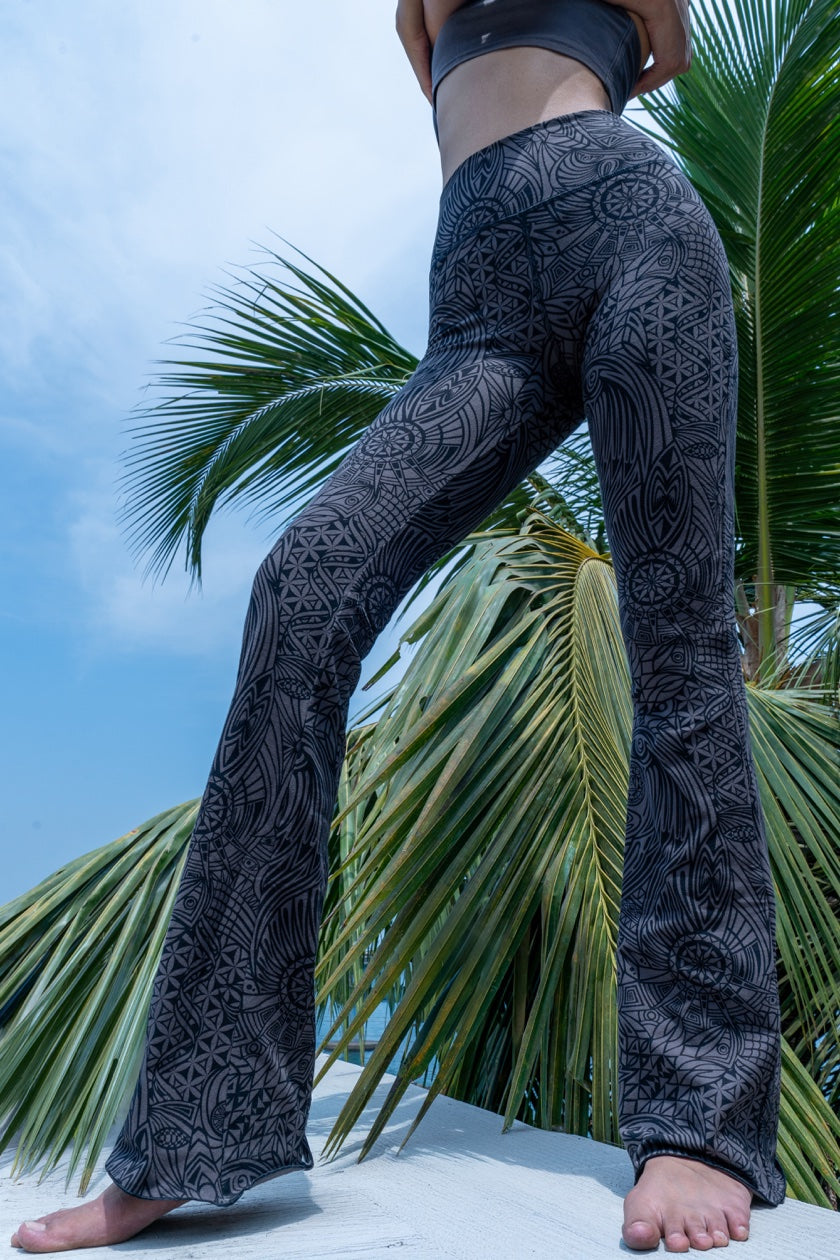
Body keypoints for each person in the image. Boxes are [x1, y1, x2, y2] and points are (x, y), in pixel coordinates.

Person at [11, 0, 786, 1253]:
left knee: (681, 647)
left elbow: (670, 45)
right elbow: (432, 66)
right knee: (303, 589)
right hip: (480, 305)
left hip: (635, 231)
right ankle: (202, 1131)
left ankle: (697, 1125)